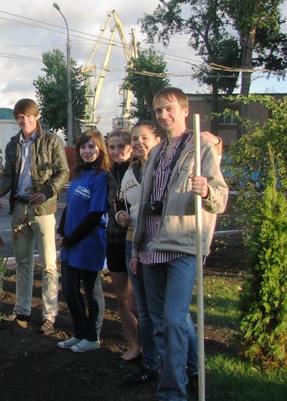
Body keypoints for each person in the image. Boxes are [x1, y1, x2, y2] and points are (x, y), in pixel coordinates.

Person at [129, 88, 228, 400]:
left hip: (183, 246)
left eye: (169, 109)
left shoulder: (201, 148)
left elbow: (221, 198)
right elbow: (146, 201)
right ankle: (185, 375)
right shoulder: (156, 153)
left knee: (174, 321)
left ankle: (173, 392)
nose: (163, 115)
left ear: (185, 111)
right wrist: (136, 248)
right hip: (151, 247)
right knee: (162, 323)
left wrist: (207, 191)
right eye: (158, 110)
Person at [0, 98, 70, 335]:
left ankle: (49, 315)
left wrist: (48, 191)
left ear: (36, 116)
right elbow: (9, 177)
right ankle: (22, 310)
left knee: (49, 264)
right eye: (19, 116)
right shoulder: (12, 145)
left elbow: (63, 171)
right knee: (23, 262)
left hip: (43, 209)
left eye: (28, 115)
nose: (24, 120)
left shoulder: (51, 140)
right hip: (19, 208)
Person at [55, 130, 109, 353]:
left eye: (92, 147)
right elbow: (69, 207)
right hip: (70, 243)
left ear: (100, 150)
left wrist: (71, 239)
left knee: (92, 291)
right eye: (83, 147)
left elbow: (95, 215)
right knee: (69, 289)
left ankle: (92, 337)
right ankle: (78, 332)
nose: (87, 151)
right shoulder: (78, 175)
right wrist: (60, 232)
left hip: (88, 242)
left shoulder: (101, 177)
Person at [105, 129, 141, 363]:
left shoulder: (138, 170)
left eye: (121, 146)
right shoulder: (107, 174)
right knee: (121, 298)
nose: (116, 151)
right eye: (112, 147)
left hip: (137, 241)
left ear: (130, 148)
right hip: (114, 240)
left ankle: (152, 345)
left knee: (138, 301)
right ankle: (134, 345)